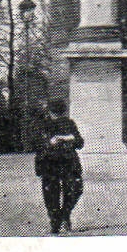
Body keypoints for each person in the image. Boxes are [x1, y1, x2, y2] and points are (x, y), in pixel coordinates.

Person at [34, 99, 85, 235]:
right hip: (50, 163)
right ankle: (55, 222)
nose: (57, 115)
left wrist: (69, 138)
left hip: (68, 163)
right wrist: (49, 142)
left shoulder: (69, 124)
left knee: (75, 190)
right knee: (52, 195)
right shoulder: (43, 125)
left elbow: (80, 142)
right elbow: (37, 144)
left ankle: (63, 215)